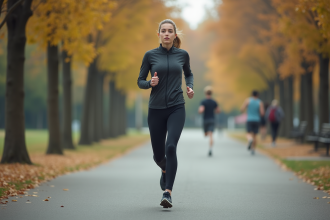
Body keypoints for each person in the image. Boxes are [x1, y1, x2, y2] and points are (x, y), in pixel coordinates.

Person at [137, 19, 194, 208]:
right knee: (158, 155)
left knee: (171, 147)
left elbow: (189, 74)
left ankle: (167, 192)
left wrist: (189, 86)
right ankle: (164, 168)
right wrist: (149, 84)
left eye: (170, 31)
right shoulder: (150, 55)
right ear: (159, 34)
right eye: (164, 31)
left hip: (177, 107)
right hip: (156, 109)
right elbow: (140, 81)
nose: (167, 34)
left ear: (175, 35)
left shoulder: (183, 55)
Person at [240, 90, 264, 155]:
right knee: (255, 136)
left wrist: (245, 112)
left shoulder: (248, 100)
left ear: (251, 94)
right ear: (258, 95)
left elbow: (242, 109)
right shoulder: (260, 102)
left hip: (249, 119)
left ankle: (250, 139)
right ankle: (253, 150)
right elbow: (262, 113)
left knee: (248, 133)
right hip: (257, 120)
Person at [198, 86, 220, 156]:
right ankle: (210, 148)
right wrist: (215, 111)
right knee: (210, 135)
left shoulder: (203, 102)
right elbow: (218, 110)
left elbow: (201, 110)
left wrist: (200, 111)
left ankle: (210, 149)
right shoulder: (214, 102)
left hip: (205, 120)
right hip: (212, 120)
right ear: (211, 93)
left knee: (206, 134)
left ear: (205, 93)